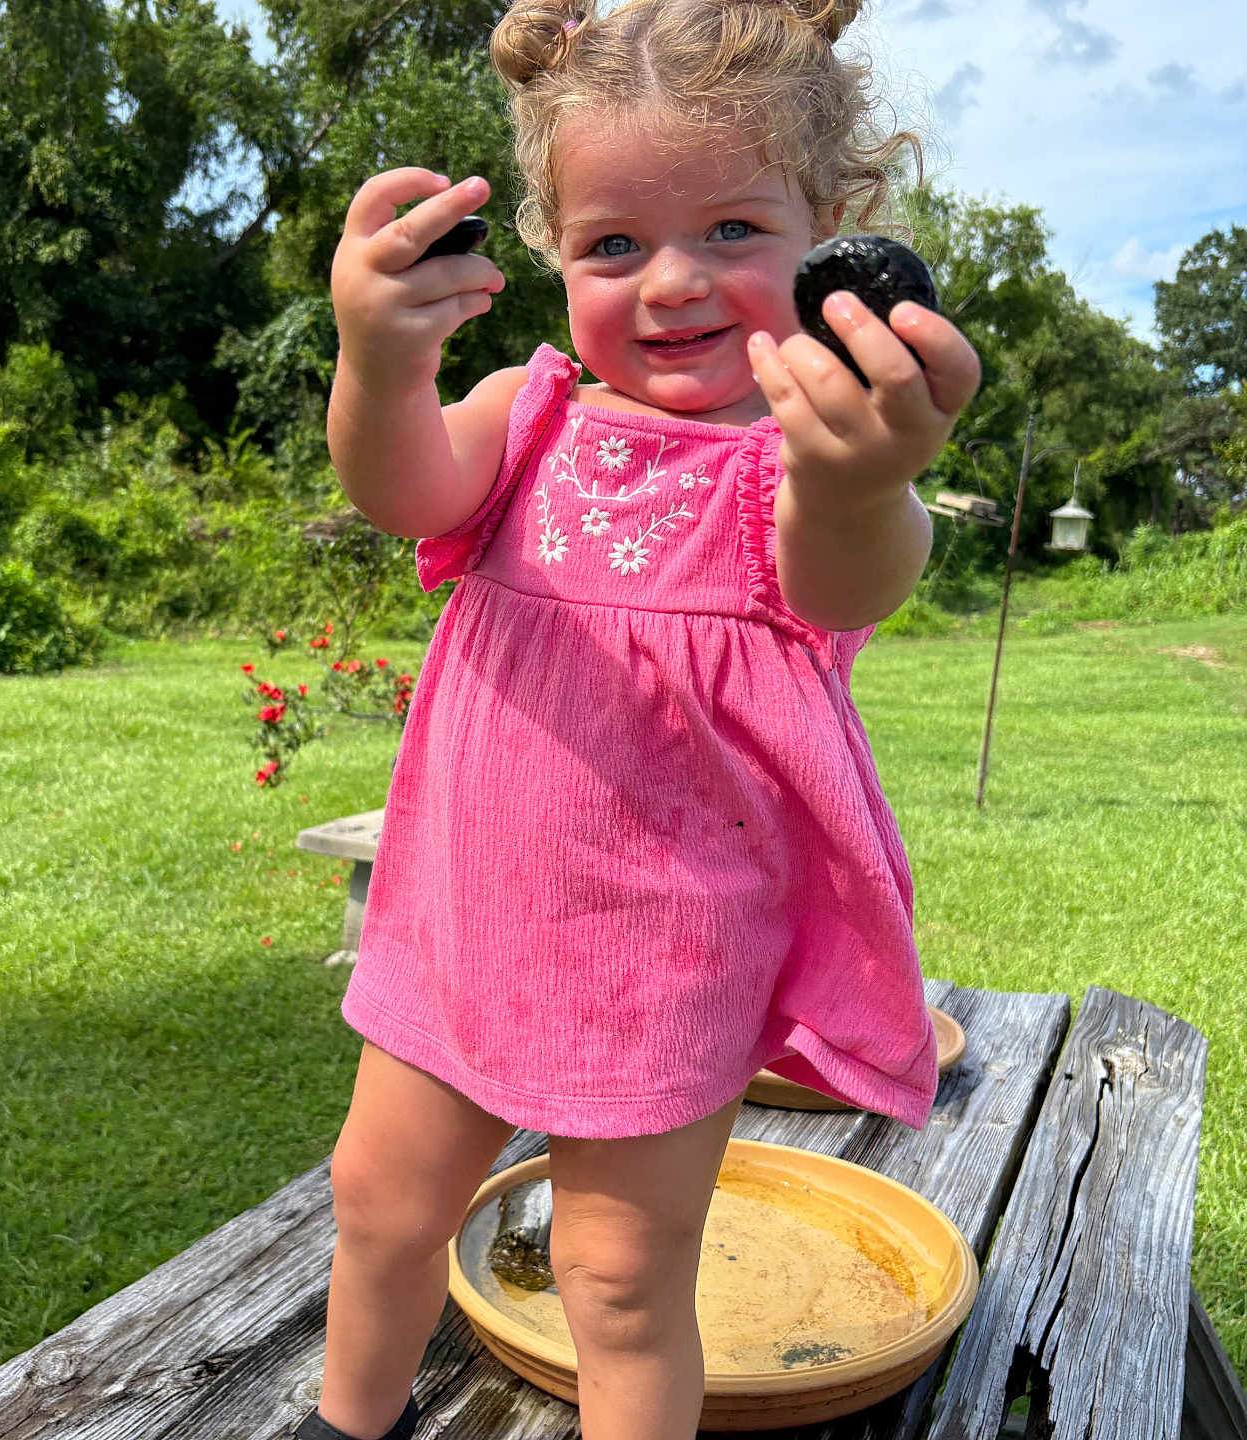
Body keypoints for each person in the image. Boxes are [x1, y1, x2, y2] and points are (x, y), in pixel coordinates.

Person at [295, 1, 980, 1437]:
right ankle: (339, 1422)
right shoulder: (527, 417)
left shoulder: (806, 473)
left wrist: (865, 477)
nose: (672, 283)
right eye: (613, 244)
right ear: (548, 250)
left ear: (834, 228)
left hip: (665, 963)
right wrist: (375, 358)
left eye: (734, 230)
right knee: (378, 1201)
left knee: (616, 1279)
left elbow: (855, 571)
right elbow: (400, 487)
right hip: (462, 922)